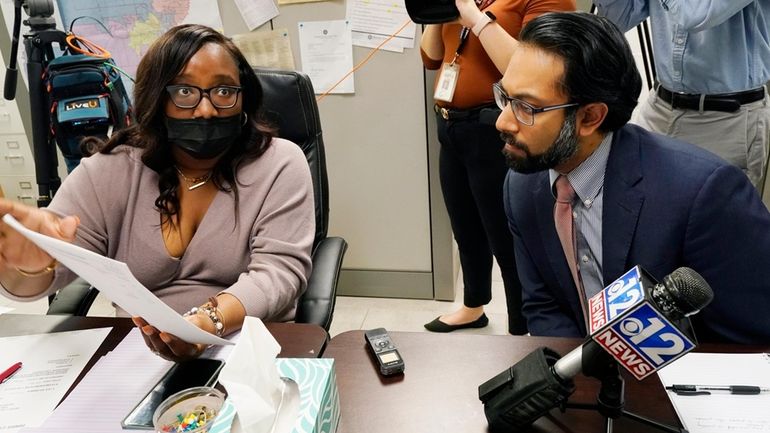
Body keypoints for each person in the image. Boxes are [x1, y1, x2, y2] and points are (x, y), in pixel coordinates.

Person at [0, 24, 315, 359]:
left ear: (244, 98)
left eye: (224, 92)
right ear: (157, 98)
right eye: (184, 92)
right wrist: (27, 267)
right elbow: (49, 268)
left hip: (252, 346)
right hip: (141, 354)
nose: (206, 109)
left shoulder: (279, 162)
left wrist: (205, 323)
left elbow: (278, 273)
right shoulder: (112, 170)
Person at [498, 11, 770, 344]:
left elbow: (754, 336)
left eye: (527, 108)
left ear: (590, 117)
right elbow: (545, 307)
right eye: (505, 98)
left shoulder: (703, 194)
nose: (503, 121)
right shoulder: (523, 186)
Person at [419, 0, 575, 334]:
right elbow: (430, 57)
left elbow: (532, 69)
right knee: (466, 227)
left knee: (506, 237)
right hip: (451, 127)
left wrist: (474, 18)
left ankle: (522, 325)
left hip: (499, 128)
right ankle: (473, 305)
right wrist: (437, 11)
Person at [594, 1, 770, 196]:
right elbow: (619, 18)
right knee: (632, 207)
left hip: (726, 122)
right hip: (660, 109)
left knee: (709, 220)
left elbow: (695, 14)